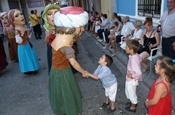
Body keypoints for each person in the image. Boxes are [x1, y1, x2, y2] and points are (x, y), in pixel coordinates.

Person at [49, 6, 88, 115]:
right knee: (67, 92)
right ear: (75, 27)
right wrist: (83, 71)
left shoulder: (58, 36)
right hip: (62, 72)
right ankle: (68, 109)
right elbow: (74, 63)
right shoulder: (66, 46)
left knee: (61, 92)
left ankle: (63, 108)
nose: (83, 29)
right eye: (82, 27)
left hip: (55, 70)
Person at [8, 9, 40, 74]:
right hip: (22, 47)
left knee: (31, 57)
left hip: (27, 45)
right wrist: (21, 34)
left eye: (21, 14)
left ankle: (33, 68)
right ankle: (28, 69)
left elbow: (28, 38)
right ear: (12, 20)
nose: (21, 16)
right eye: (17, 16)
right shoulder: (17, 30)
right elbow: (19, 41)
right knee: (26, 58)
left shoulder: (24, 27)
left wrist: (28, 33)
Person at [124, 40, 142, 113]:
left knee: (131, 93)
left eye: (127, 47)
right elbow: (139, 59)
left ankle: (133, 106)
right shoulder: (134, 55)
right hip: (130, 79)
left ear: (131, 49)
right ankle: (132, 102)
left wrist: (132, 76)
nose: (125, 48)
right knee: (130, 91)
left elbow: (139, 72)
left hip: (131, 80)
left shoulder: (133, 59)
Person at [42, 4, 60, 74]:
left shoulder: (63, 26)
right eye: (49, 14)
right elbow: (46, 41)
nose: (53, 16)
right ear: (46, 17)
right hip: (52, 51)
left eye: (56, 13)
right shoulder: (47, 29)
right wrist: (47, 36)